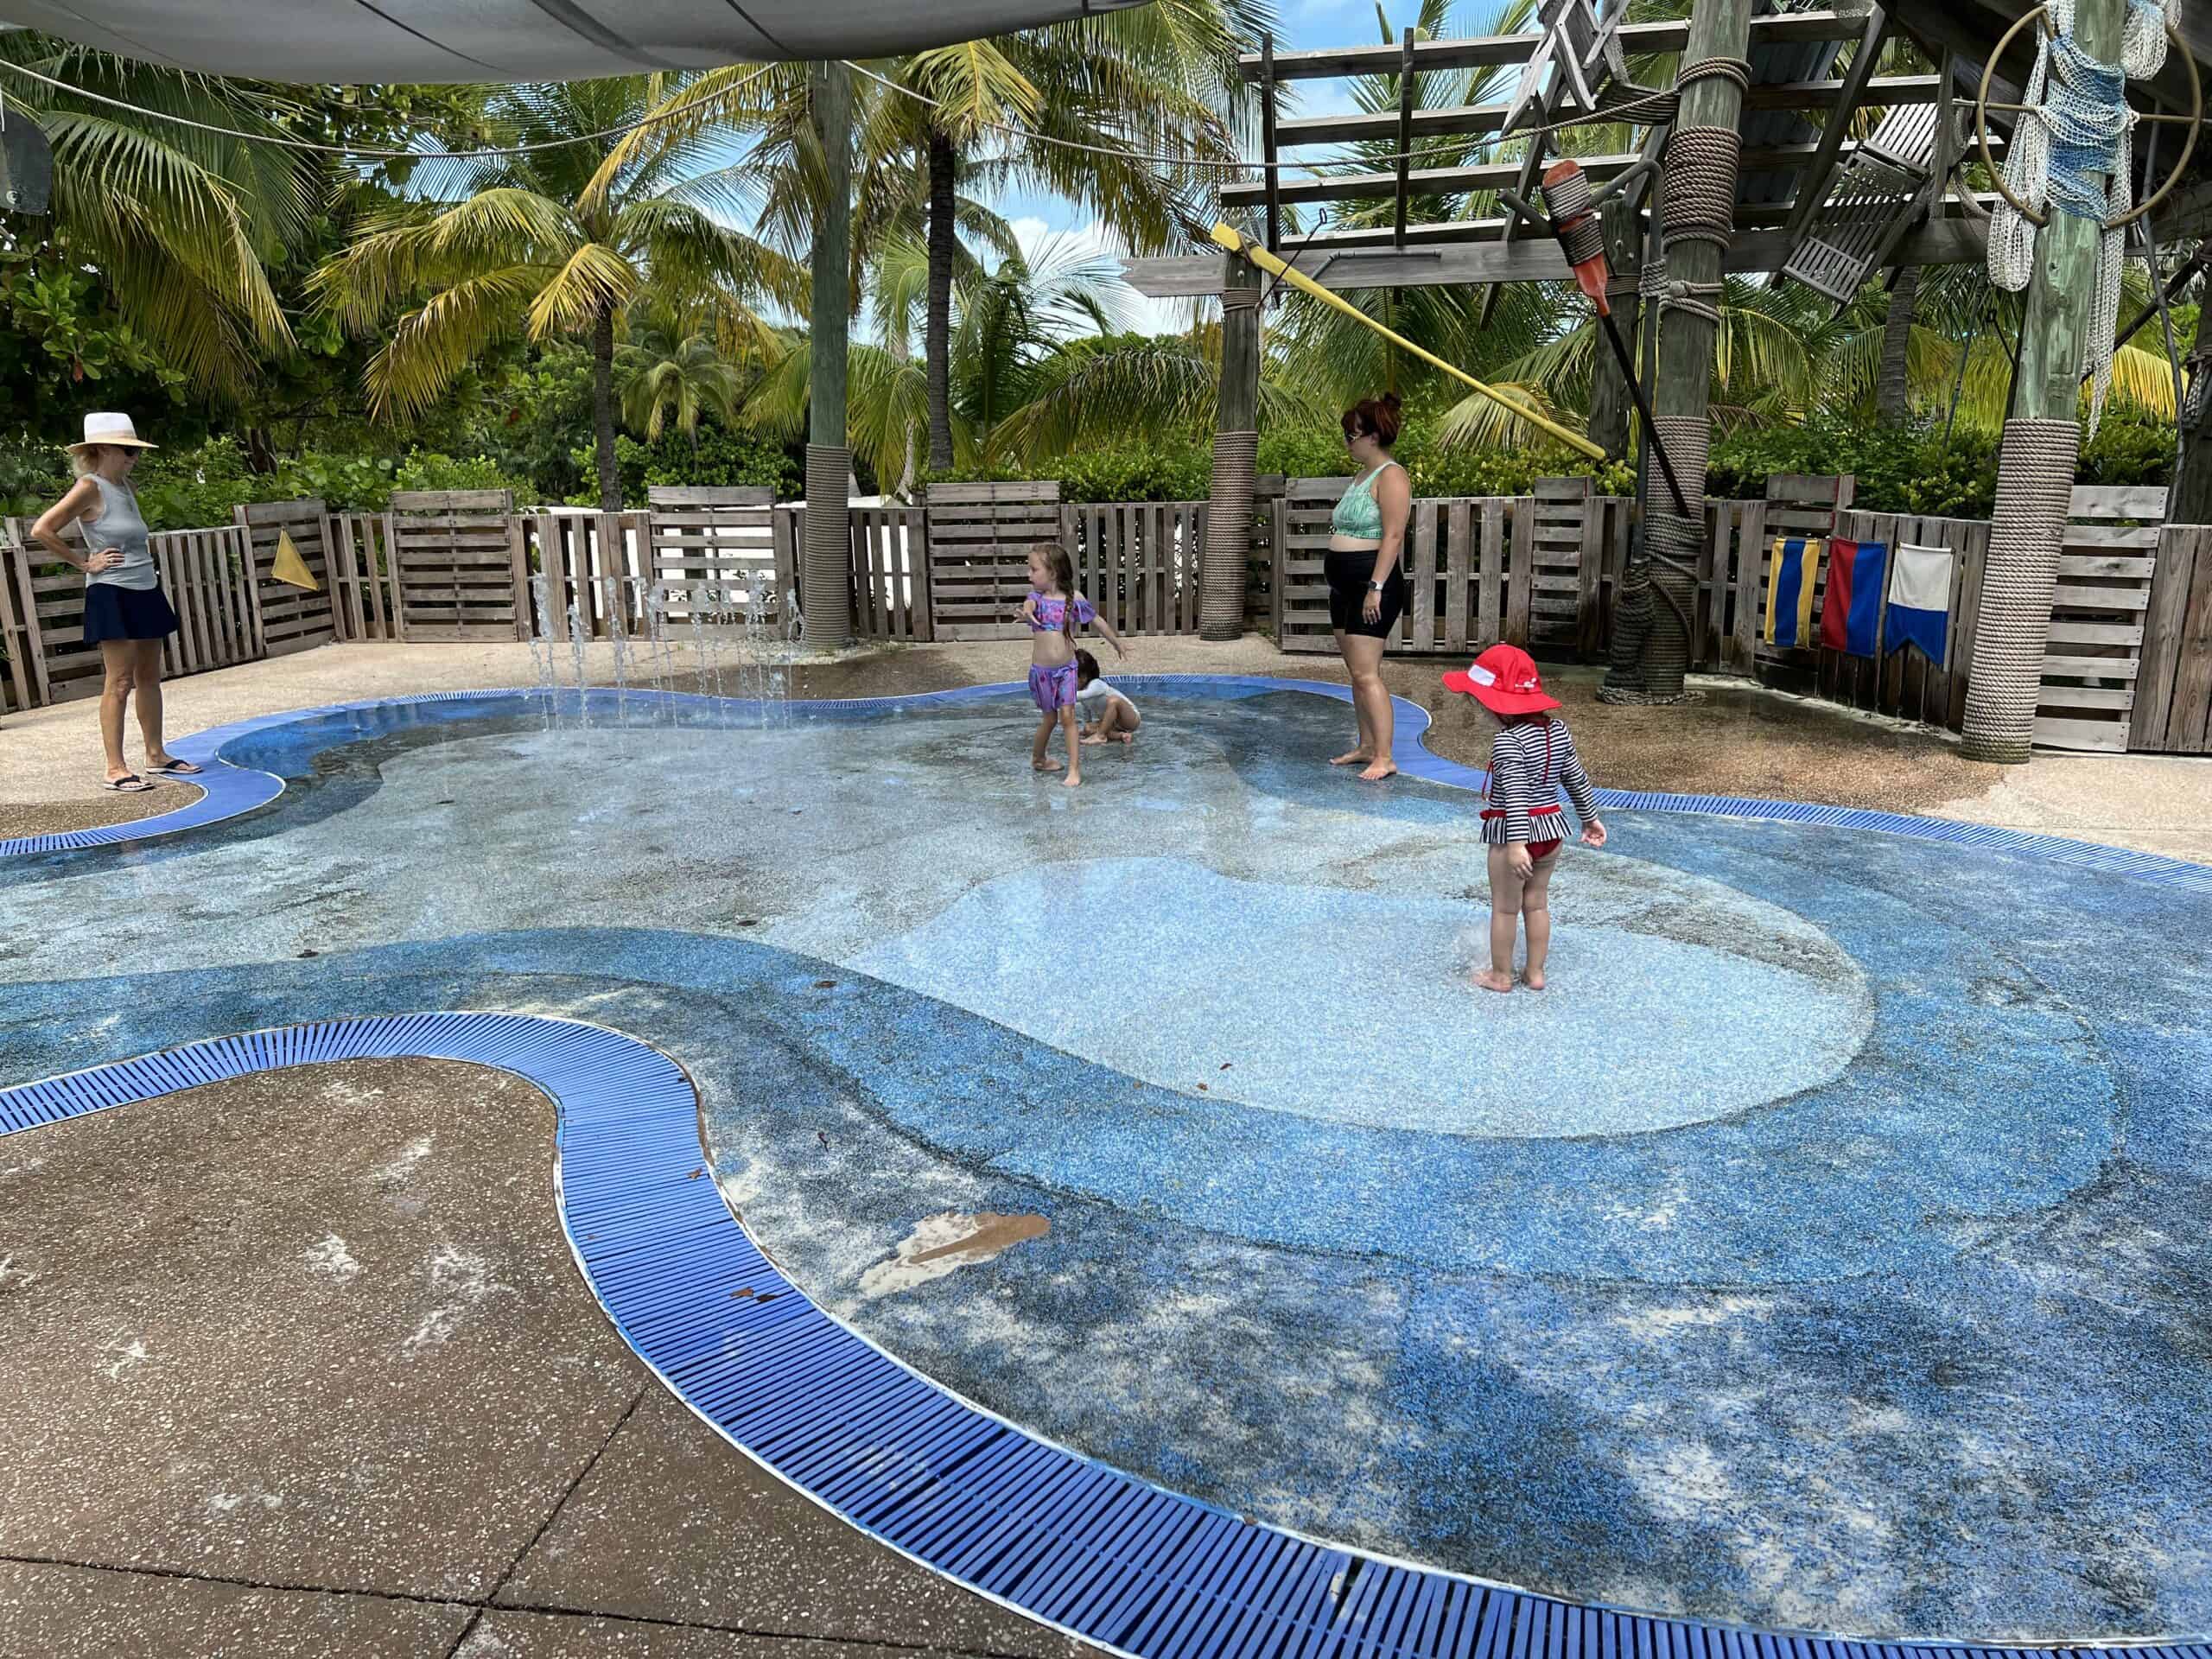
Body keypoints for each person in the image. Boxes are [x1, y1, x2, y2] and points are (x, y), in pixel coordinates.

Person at [32, 413, 197, 793]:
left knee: (150, 678)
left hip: (145, 588)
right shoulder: (89, 487)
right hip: (112, 592)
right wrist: (84, 562)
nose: (134, 458)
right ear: (103, 449)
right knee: (119, 680)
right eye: (127, 451)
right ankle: (115, 767)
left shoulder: (125, 486)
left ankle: (156, 755)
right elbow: (42, 529)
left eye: (136, 452)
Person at [1442, 644, 1607, 994]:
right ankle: (1535, 973)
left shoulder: (1507, 741)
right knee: (1537, 904)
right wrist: (1590, 818)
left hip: (1514, 835)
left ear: (1494, 704)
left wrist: (1516, 845)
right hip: (1551, 832)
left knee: (1505, 909)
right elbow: (1575, 777)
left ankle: (1500, 976)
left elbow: (1516, 796)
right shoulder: (1558, 731)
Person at [1325, 392, 1413, 783]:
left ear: (1373, 436)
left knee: (1367, 673)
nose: (1348, 442)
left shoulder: (1392, 476)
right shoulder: (1359, 477)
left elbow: (1393, 536)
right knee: (1355, 673)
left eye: (1352, 434)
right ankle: (1365, 746)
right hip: (1344, 585)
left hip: (1371, 584)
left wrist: (1375, 587)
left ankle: (1385, 755)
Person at [1019, 544, 1127, 788]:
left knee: (1068, 716)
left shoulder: (1073, 599)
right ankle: (1038, 758)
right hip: (1042, 673)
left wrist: (1116, 642)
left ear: (1053, 572)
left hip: (1067, 670)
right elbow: (1029, 606)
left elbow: (1097, 620)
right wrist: (1026, 614)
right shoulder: (1036, 598)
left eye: (1034, 569)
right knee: (1050, 719)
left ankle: (1074, 769)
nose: (1029, 574)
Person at [1073, 649, 1141, 747]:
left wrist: (1062, 695)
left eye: (1070, 677)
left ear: (1083, 677)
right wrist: (1087, 730)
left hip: (1130, 719)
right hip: (1112, 723)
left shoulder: (1097, 684)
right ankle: (1121, 736)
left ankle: (1100, 736)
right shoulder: (1083, 692)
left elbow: (1083, 695)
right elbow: (1086, 712)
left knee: (1114, 701)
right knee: (1088, 728)